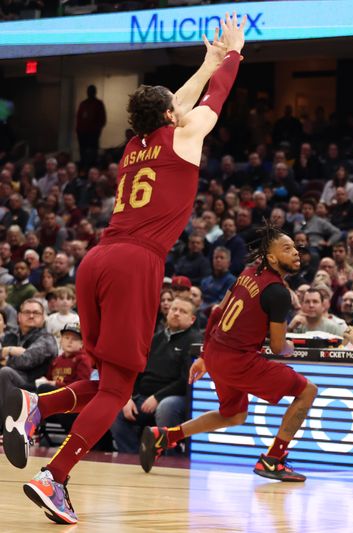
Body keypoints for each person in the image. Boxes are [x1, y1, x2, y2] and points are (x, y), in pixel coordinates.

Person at [0, 15, 246, 525]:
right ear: (172, 114)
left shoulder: (135, 148)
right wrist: (231, 59)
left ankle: (35, 406)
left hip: (95, 259)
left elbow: (173, 101)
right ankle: (55, 477)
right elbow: (210, 103)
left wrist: (208, 60)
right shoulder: (187, 134)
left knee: (111, 378)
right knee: (117, 389)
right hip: (135, 263)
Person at [136, 226, 317, 482]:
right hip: (239, 360)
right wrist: (291, 346)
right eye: (287, 248)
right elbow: (278, 348)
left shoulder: (248, 272)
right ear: (272, 257)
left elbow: (217, 313)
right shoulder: (277, 293)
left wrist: (205, 356)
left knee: (234, 414)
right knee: (308, 391)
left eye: (295, 248)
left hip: (218, 354)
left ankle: (165, 436)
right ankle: (273, 459)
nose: (296, 252)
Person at [110, 297, 201, 453]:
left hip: (177, 397)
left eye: (183, 311)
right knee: (114, 408)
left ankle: (170, 458)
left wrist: (158, 397)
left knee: (166, 407)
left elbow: (186, 380)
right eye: (174, 309)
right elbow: (136, 372)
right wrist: (128, 397)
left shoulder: (195, 341)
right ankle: (133, 457)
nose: (176, 313)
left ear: (192, 319)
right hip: (144, 396)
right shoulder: (154, 339)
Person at [0, 299, 59, 392]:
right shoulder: (9, 336)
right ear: (19, 316)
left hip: (32, 386)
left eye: (36, 313)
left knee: (5, 372)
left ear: (43, 318)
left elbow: (26, 360)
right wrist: (9, 350)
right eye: (27, 312)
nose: (31, 316)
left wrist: (5, 358)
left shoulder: (47, 339)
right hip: (9, 383)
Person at [75, 85, 106, 168]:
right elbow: (79, 118)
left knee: (92, 153)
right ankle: (83, 167)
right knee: (83, 153)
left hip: (93, 133)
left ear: (94, 92)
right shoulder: (83, 104)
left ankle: (92, 167)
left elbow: (102, 119)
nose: (90, 93)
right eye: (89, 91)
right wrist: (78, 131)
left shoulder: (98, 104)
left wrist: (96, 131)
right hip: (82, 133)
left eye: (91, 91)